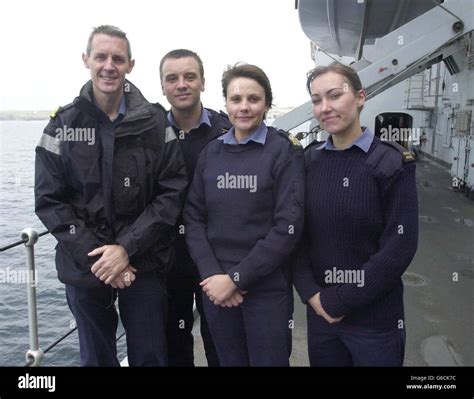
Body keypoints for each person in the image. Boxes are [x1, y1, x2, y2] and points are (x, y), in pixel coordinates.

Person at [34, 25, 187, 366]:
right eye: (101, 57)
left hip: (143, 265)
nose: (109, 66)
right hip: (85, 267)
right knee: (96, 358)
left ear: (130, 64)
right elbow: (50, 200)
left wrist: (126, 248)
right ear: (86, 59)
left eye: (118, 58)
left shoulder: (155, 123)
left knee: (150, 357)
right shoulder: (62, 125)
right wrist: (104, 261)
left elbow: (171, 192)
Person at [293, 62, 418, 366]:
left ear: (360, 97)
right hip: (322, 315)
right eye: (317, 100)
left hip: (374, 321)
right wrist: (312, 295)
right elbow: (294, 235)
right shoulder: (308, 161)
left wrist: (342, 299)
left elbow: (399, 246)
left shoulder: (391, 163)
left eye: (335, 95)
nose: (325, 107)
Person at [183, 63, 304, 366]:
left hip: (266, 290)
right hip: (218, 289)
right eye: (236, 99)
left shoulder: (283, 151)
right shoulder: (211, 153)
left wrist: (237, 278)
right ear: (225, 103)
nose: (244, 107)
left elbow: (287, 226)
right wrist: (213, 275)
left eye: (254, 99)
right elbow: (193, 217)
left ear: (267, 103)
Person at [159, 49, 231, 367]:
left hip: (217, 259)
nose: (181, 84)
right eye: (172, 78)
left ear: (202, 82)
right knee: (174, 342)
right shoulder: (149, 133)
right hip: (167, 258)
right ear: (162, 87)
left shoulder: (228, 131)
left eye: (190, 76)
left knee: (221, 340)